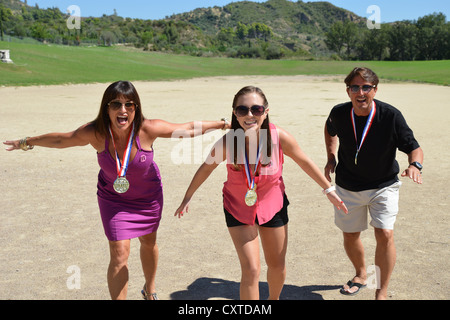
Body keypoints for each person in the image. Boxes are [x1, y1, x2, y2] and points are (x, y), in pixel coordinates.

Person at [3, 80, 231, 300]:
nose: (123, 110)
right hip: (113, 199)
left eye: (128, 105)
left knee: (148, 242)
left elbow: (187, 128)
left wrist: (221, 124)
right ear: (106, 108)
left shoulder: (147, 129)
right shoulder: (96, 133)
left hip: (148, 197)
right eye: (115, 104)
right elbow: (62, 140)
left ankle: (149, 289)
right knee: (119, 253)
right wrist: (26, 141)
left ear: (135, 108)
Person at [175, 86, 348, 300]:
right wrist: (187, 196)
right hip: (237, 206)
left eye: (256, 109)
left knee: (276, 265)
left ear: (265, 111)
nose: (249, 115)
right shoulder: (229, 142)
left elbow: (305, 161)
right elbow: (206, 167)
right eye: (242, 110)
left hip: (272, 204)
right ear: (235, 113)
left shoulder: (278, 137)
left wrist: (329, 189)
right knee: (251, 269)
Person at [324, 67, 424, 300]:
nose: (361, 92)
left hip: (384, 185)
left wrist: (414, 166)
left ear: (375, 90)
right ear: (348, 91)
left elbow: (414, 148)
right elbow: (330, 130)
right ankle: (360, 275)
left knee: (385, 234)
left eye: (366, 87)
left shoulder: (390, 115)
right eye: (355, 87)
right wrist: (331, 156)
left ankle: (381, 291)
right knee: (350, 235)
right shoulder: (339, 113)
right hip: (348, 185)